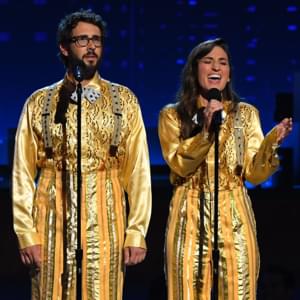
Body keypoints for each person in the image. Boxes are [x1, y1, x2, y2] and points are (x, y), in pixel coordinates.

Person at [12, 8, 152, 299]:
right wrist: (26, 233)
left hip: (107, 220)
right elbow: (23, 173)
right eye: (82, 40)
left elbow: (137, 171)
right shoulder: (40, 101)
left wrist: (137, 231)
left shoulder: (123, 100)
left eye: (96, 40)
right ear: (64, 47)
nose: (91, 46)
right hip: (51, 220)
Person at [158, 37, 292, 299]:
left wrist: (270, 144)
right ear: (194, 70)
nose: (216, 67)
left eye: (222, 62)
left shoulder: (246, 113)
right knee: (186, 290)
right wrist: (206, 131)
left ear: (229, 74)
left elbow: (254, 173)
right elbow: (179, 165)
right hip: (189, 208)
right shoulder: (172, 115)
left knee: (239, 289)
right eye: (208, 61)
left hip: (235, 208)